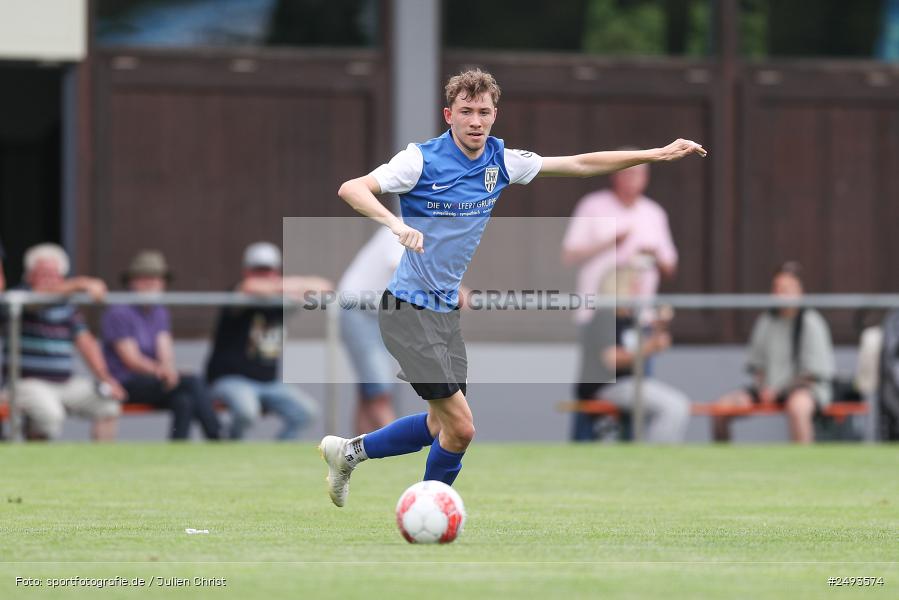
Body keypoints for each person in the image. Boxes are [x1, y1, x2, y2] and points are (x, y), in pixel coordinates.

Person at [319, 68, 706, 507]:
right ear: (449, 115)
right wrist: (394, 223)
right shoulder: (419, 160)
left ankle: (348, 452)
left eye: (483, 112)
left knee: (439, 426)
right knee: (462, 428)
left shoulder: (501, 161)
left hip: (443, 313)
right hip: (406, 310)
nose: (475, 121)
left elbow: (578, 164)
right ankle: (430, 509)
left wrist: (655, 154)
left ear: (495, 115)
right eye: (466, 111)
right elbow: (352, 188)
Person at [1, 243, 125, 440]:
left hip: (65, 383)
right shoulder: (20, 298)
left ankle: (103, 466)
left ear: (61, 277)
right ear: (30, 275)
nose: (49, 280)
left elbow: (86, 343)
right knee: (50, 414)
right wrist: (81, 283)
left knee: (108, 405)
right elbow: (38, 299)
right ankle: (35, 464)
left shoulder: (67, 306)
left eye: (54, 274)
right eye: (43, 273)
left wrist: (105, 378)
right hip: (26, 383)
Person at [205, 242, 328, 440]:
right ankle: (229, 449)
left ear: (276, 271)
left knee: (306, 412)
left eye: (268, 270)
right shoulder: (237, 294)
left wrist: (285, 288)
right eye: (258, 270)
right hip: (230, 379)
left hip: (269, 383)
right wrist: (289, 288)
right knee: (247, 411)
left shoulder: (280, 300)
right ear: (247, 271)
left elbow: (323, 288)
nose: (264, 276)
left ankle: (275, 455)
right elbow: (250, 287)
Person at [710, 262, 835, 444]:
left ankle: (805, 464)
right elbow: (757, 367)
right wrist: (763, 388)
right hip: (768, 390)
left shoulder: (811, 322)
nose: (780, 294)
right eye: (777, 288)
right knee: (721, 409)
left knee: (798, 408)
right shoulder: (766, 321)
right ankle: (724, 463)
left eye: (786, 289)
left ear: (800, 292)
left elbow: (814, 375)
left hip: (804, 390)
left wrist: (781, 391)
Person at [102, 250, 221, 440]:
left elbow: (165, 349)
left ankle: (177, 453)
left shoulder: (160, 312)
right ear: (131, 281)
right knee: (192, 382)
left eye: (156, 278)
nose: (151, 283)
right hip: (125, 383)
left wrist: (168, 369)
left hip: (155, 379)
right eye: (144, 278)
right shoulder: (119, 312)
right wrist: (163, 371)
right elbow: (131, 360)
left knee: (184, 400)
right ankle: (217, 436)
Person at [573, 268, 690, 443]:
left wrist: (659, 329)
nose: (638, 292)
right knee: (673, 406)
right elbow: (612, 359)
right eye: (634, 286)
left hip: (631, 384)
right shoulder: (604, 318)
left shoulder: (629, 320)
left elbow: (641, 348)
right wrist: (650, 346)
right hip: (606, 386)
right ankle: (657, 459)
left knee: (677, 405)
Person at [562, 154, 678, 326]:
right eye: (626, 173)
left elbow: (670, 268)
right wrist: (610, 243)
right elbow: (568, 256)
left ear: (645, 178)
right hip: (597, 313)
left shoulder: (654, 213)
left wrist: (653, 255)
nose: (631, 179)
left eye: (636, 173)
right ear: (614, 175)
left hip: (640, 316)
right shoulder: (592, 206)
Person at [338, 226, 404, 435]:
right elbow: (402, 272)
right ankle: (400, 448)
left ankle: (352, 453)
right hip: (358, 310)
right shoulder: (404, 226)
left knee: (370, 391)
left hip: (378, 314)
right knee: (379, 392)